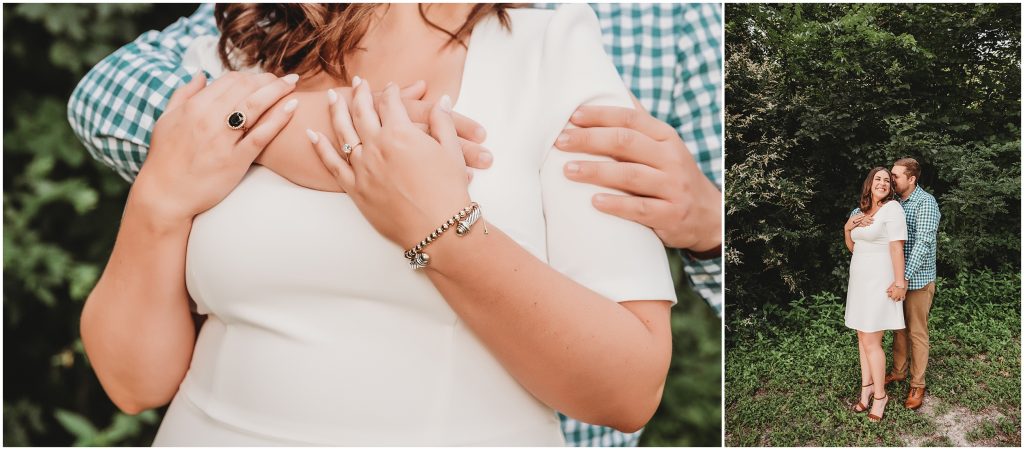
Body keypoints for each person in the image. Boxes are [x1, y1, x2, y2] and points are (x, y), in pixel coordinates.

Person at [66, 3, 724, 446]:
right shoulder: (244, 47)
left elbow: (627, 389)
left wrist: (437, 227)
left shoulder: (555, 52)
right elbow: (133, 384)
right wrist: (158, 196)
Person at [843, 166, 907, 422]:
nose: (882, 183)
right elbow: (853, 247)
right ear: (869, 184)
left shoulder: (893, 209)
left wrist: (900, 282)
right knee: (862, 338)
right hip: (859, 281)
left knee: (871, 341)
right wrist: (848, 228)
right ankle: (866, 387)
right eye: (877, 179)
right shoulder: (861, 213)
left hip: (879, 282)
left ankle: (880, 396)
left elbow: (896, 248)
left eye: (886, 180)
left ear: (890, 188)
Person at [883, 157, 940, 410]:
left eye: (895, 175)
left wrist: (903, 278)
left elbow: (924, 244)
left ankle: (918, 384)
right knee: (898, 329)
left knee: (917, 332)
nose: (891, 179)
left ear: (912, 179)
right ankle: (899, 371)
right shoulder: (895, 203)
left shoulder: (926, 203)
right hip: (898, 280)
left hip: (917, 280)